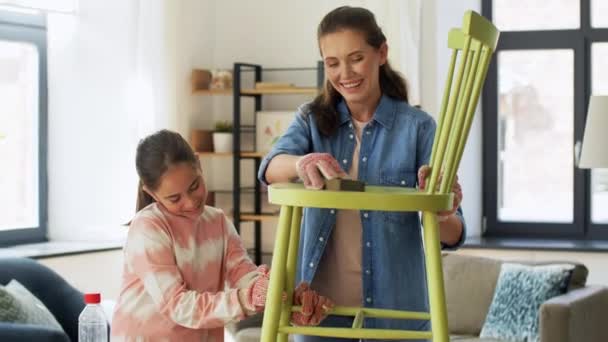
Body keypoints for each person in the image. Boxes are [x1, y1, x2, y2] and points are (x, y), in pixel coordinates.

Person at [258, 6, 465, 342]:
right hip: (318, 315)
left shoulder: (419, 128)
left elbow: (454, 234)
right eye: (332, 63)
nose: (345, 73)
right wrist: (301, 163)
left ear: (381, 53)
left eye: (356, 58)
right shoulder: (311, 120)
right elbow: (270, 168)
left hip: (397, 316)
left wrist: (442, 208)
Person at [111, 130, 333, 341]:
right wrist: (247, 299)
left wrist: (282, 297)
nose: (190, 202)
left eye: (194, 186)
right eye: (174, 198)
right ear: (151, 194)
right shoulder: (148, 228)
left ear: (198, 164)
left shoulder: (217, 222)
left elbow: (245, 275)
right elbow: (177, 305)